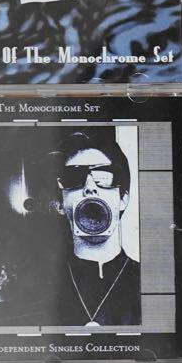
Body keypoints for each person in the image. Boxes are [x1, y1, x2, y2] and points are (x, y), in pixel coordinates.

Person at [50, 131, 141, 326]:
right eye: (73, 177)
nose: (90, 187)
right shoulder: (45, 284)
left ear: (123, 199)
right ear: (59, 204)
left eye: (104, 176)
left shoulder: (147, 282)